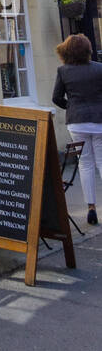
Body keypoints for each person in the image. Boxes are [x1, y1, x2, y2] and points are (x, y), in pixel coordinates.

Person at [52, 34, 102, 225]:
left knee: (85, 164)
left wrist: (71, 107)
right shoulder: (99, 69)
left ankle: (91, 208)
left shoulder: (63, 71)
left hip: (77, 123)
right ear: (88, 50)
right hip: (99, 121)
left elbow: (56, 98)